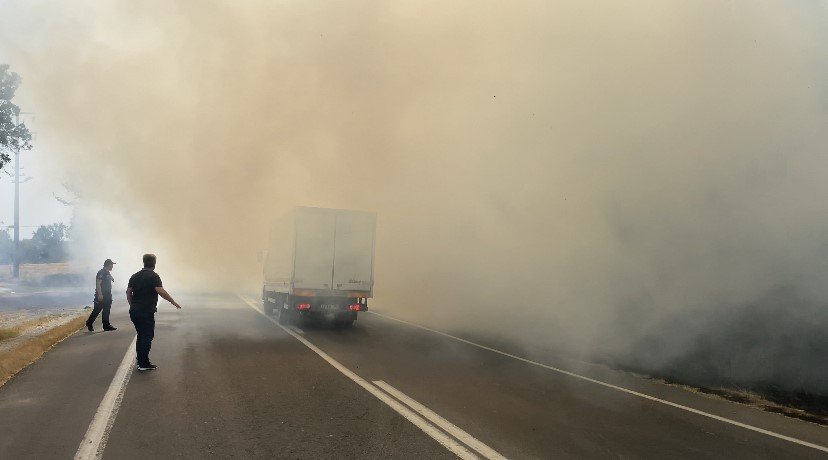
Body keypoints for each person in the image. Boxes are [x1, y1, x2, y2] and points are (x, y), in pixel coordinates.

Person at [126, 254, 182, 371]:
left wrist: (132, 305)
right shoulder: (153, 276)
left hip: (135, 311)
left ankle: (140, 361)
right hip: (146, 311)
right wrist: (173, 302)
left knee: (141, 335)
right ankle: (143, 364)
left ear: (144, 262)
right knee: (147, 336)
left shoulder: (135, 276)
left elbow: (128, 292)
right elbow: (160, 291)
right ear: (154, 263)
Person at [86, 259, 117, 332]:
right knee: (97, 310)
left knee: (106, 310)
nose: (112, 266)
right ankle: (89, 323)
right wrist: (100, 294)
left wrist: (112, 278)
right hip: (102, 295)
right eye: (112, 265)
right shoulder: (101, 272)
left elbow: (112, 279)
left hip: (108, 295)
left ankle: (106, 326)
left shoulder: (107, 272)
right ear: (108, 265)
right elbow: (98, 284)